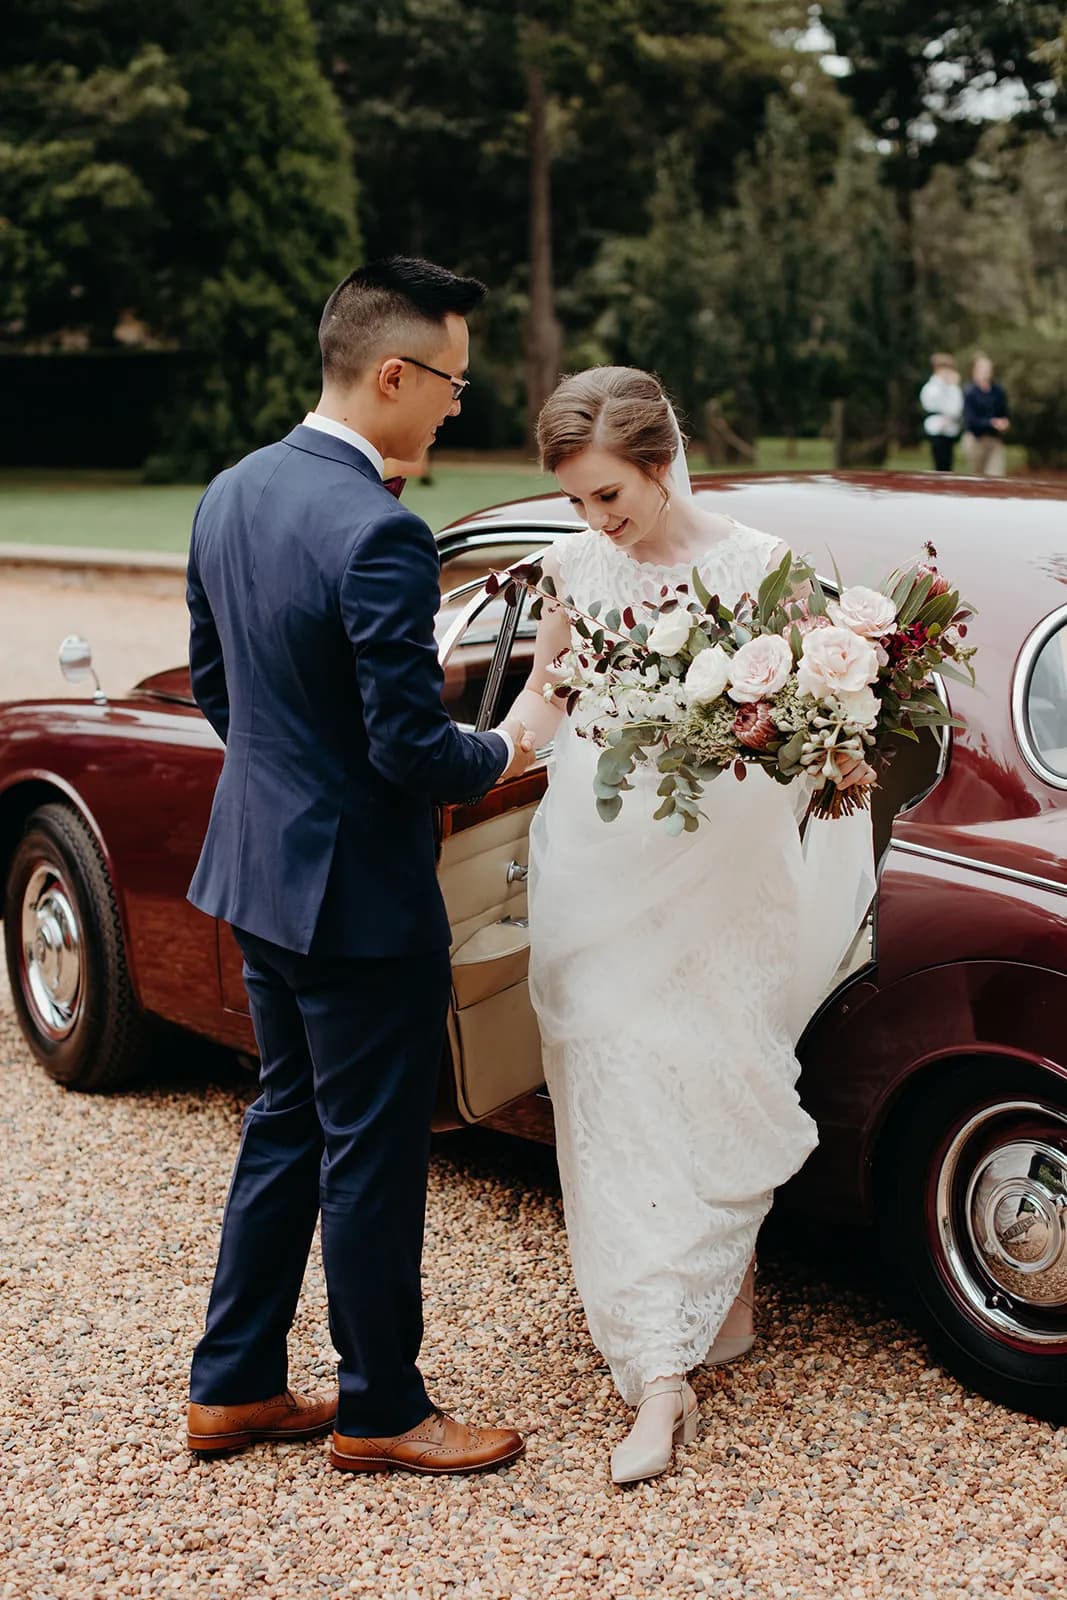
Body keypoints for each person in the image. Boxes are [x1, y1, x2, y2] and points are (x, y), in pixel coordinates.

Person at [183, 257, 534, 1476]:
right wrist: (509, 741)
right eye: (449, 380)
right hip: (360, 901)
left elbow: (222, 690)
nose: (455, 405)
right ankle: (380, 1407)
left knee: (287, 1120)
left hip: (259, 876)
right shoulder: (379, 529)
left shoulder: (230, 490)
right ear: (391, 372)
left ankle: (230, 1386)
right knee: (371, 1149)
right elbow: (410, 747)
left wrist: (298, 791)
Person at [502, 367, 876, 1485]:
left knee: (713, 1073)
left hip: (726, 884)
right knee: (610, 1070)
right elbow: (543, 700)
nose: (591, 522)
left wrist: (827, 740)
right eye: (575, 500)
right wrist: (461, 758)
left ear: (661, 463)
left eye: (607, 497)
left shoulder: (765, 570)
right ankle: (655, 1374)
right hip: (595, 873)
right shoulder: (572, 567)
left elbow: (821, 730)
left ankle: (717, 1298)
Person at [962, 354, 1010, 477]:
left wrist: (1004, 423)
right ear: (975, 370)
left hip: (994, 440)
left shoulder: (998, 391)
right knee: (977, 477)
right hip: (976, 440)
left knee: (996, 475)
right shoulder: (970, 392)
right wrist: (991, 422)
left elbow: (1004, 413)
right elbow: (970, 420)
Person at [919, 353, 963, 471]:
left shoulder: (953, 388)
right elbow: (931, 403)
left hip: (950, 429)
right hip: (936, 428)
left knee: (948, 463)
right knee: (939, 462)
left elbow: (957, 408)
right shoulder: (931, 387)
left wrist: (953, 386)